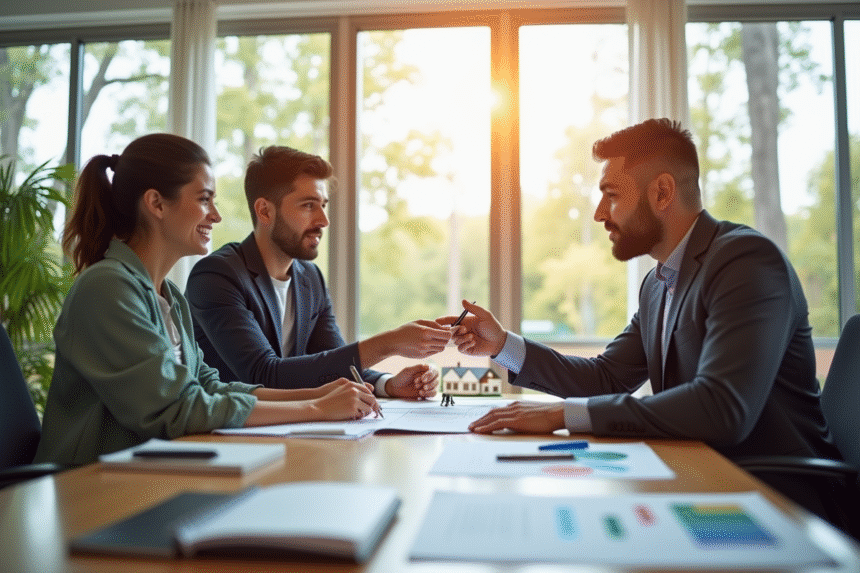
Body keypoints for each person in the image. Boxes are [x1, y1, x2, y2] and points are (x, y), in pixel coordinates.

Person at [446, 118, 839, 466]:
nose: (600, 213)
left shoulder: (746, 261)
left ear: (662, 193)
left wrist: (563, 415)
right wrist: (502, 345)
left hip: (780, 495)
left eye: (612, 195)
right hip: (697, 474)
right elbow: (606, 378)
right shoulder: (658, 284)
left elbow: (722, 408)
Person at [34, 134, 381, 466]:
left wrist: (317, 395)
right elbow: (177, 408)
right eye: (204, 199)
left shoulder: (169, 296)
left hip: (150, 470)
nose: (215, 215)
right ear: (156, 203)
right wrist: (316, 410)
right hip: (91, 487)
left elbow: (209, 386)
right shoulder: (106, 289)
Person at [186, 146, 450, 399]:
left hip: (291, 431)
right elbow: (264, 374)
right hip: (229, 437)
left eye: (323, 205)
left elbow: (331, 362)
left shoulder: (310, 278)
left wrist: (388, 384)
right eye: (308, 205)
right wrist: (388, 343)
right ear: (265, 211)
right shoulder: (216, 276)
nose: (323, 220)